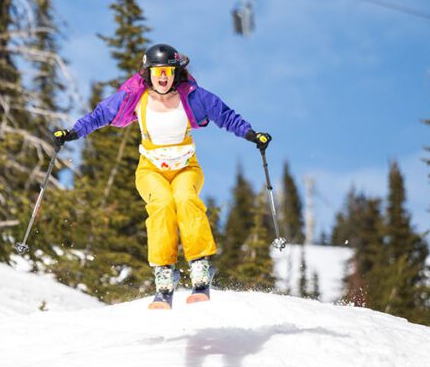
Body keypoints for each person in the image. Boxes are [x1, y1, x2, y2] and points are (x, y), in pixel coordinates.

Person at [52, 43, 271, 309]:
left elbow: (225, 115)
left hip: (185, 168)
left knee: (185, 199)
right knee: (162, 205)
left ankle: (200, 265)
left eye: (168, 71)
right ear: (148, 73)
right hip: (151, 169)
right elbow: (101, 115)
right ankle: (165, 271)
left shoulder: (192, 96)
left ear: (176, 72)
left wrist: (251, 135)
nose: (163, 77)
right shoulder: (134, 96)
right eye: (158, 72)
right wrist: (72, 133)